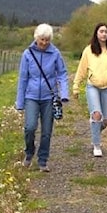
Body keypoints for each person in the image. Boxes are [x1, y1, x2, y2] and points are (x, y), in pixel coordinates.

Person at [15, 23, 70, 172]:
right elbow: (23, 79)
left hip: (48, 97)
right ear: (36, 38)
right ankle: (29, 152)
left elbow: (62, 74)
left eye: (47, 40)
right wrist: (20, 102)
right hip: (31, 96)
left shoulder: (55, 54)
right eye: (42, 40)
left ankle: (43, 160)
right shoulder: (27, 54)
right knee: (30, 127)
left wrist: (64, 94)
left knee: (46, 132)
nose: (44, 43)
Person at [72, 22, 107, 157]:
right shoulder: (88, 50)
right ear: (96, 33)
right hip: (92, 86)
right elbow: (81, 70)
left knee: (106, 121)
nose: (104, 34)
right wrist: (76, 86)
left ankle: (95, 126)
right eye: (101, 31)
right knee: (97, 115)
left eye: (106, 32)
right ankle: (96, 145)